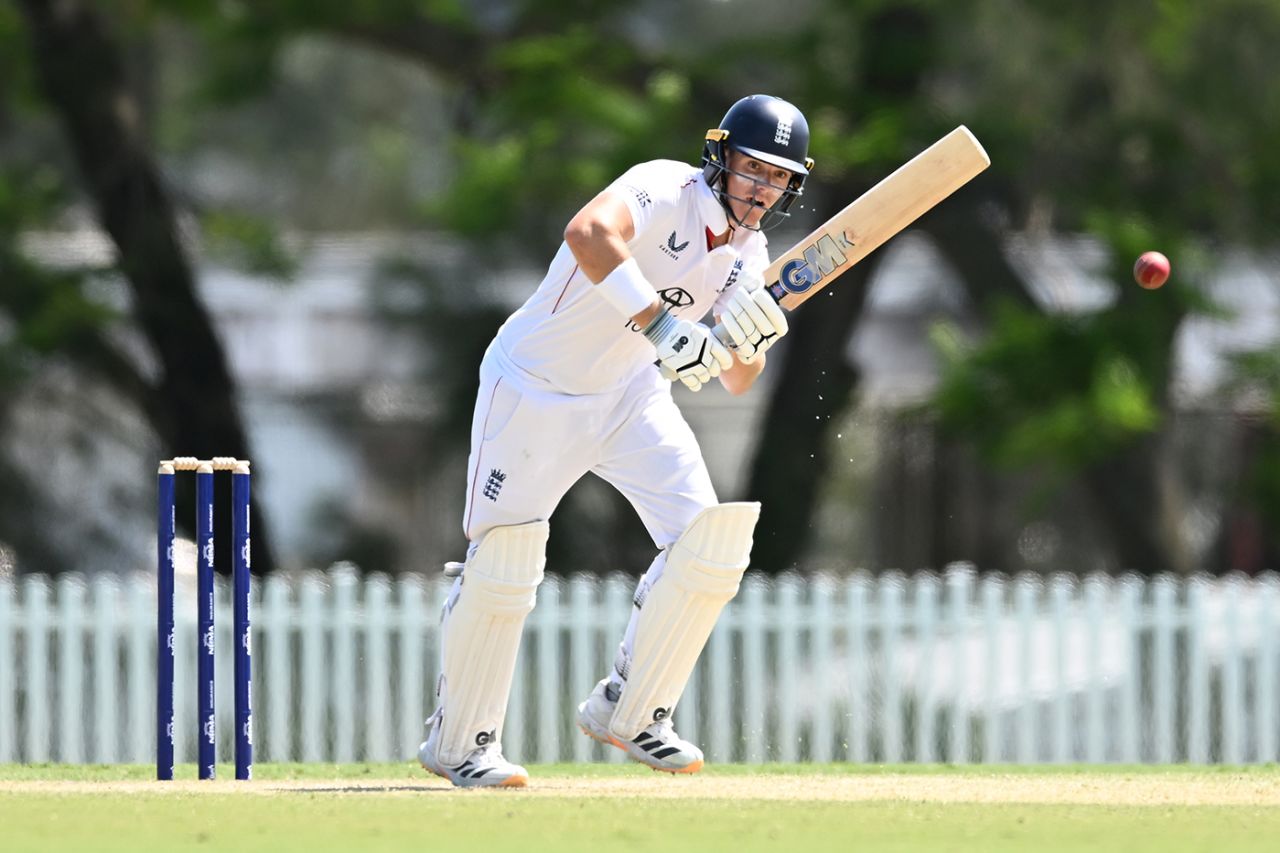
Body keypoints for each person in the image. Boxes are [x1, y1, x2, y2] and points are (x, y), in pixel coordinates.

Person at [418, 94, 814, 787]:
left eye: (777, 177)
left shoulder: (750, 252)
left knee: (710, 541)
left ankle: (630, 709)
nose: (761, 188)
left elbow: (739, 380)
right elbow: (588, 232)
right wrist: (662, 327)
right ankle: (458, 745)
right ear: (720, 158)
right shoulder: (665, 188)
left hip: (629, 396)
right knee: (506, 559)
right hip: (536, 385)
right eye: (751, 168)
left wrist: (753, 333)